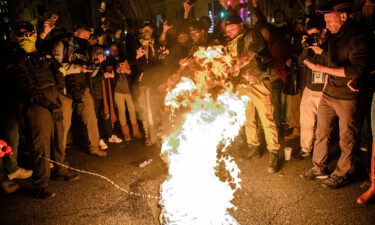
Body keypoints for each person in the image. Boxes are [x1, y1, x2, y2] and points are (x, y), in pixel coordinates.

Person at [300, 0, 375, 189]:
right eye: (325, 21)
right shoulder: (333, 35)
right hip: (329, 93)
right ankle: (318, 167)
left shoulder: (358, 36)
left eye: (330, 20)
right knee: (321, 132)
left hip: (348, 97)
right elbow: (330, 58)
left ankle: (343, 172)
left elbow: (356, 70)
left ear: (344, 16)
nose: (327, 25)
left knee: (347, 137)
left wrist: (321, 67)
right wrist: (319, 50)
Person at [13, 20, 79, 198]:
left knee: (59, 137)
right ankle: (40, 185)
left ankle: (61, 170)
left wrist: (58, 93)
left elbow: (57, 70)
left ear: (34, 34)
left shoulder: (41, 53)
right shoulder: (17, 58)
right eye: (21, 34)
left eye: (28, 33)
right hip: (36, 104)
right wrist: (49, 103)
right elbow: (26, 86)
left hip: (54, 98)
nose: (26, 37)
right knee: (41, 145)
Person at [225, 14, 281, 174]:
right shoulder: (231, 42)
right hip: (242, 85)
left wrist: (235, 67)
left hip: (258, 83)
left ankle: (274, 152)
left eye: (232, 28)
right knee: (248, 119)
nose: (229, 32)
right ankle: (254, 147)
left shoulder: (252, 35)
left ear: (241, 25)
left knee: (267, 119)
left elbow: (250, 54)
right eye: (227, 30)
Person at [53, 24, 107, 157]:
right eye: (85, 31)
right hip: (66, 90)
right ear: (76, 33)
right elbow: (56, 66)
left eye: (89, 33)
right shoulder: (63, 44)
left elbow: (91, 74)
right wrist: (78, 68)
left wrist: (96, 65)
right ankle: (59, 156)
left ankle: (94, 146)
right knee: (65, 124)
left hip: (83, 89)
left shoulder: (86, 49)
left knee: (91, 119)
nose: (89, 33)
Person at [295, 16, 329, 160]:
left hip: (325, 90)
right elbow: (300, 62)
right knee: (306, 122)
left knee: (323, 126)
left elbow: (333, 62)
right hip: (309, 89)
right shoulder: (309, 45)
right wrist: (305, 48)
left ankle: (321, 155)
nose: (313, 37)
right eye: (310, 35)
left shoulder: (332, 44)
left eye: (315, 34)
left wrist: (320, 49)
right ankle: (305, 148)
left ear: (324, 31)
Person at [108, 43, 143, 142]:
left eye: (115, 49)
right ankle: (126, 133)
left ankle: (136, 131)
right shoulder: (109, 61)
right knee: (121, 112)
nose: (114, 51)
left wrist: (128, 71)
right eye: (112, 49)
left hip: (128, 90)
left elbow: (133, 71)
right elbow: (110, 75)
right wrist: (116, 72)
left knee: (132, 110)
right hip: (118, 91)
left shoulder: (126, 58)